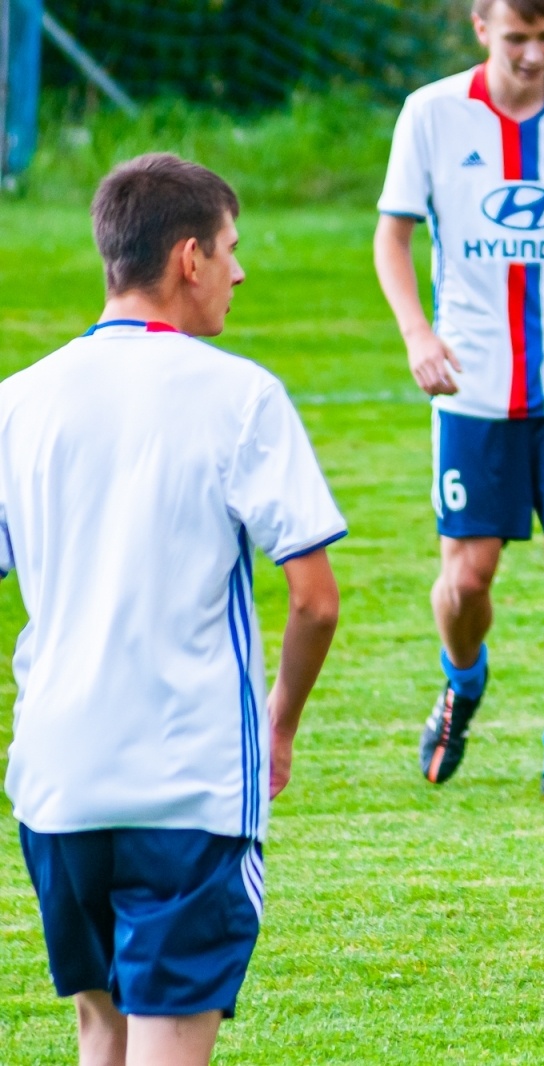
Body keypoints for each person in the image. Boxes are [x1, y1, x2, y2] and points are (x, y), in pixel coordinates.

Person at [0, 153, 345, 1065]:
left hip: (59, 776)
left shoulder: (17, 402)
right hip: (186, 779)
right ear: (187, 258)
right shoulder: (238, 396)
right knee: (170, 1044)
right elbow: (313, 598)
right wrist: (280, 721)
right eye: (231, 249)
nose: (240, 271)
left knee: (98, 1030)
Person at [375, 0, 544, 801]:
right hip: (472, 384)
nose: (533, 54)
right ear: (479, 25)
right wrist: (419, 334)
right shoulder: (431, 114)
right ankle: (464, 676)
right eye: (518, 36)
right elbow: (392, 236)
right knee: (467, 580)